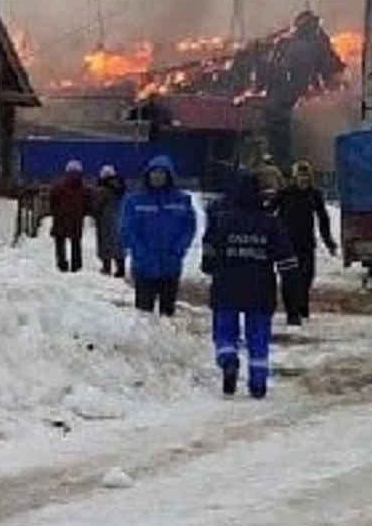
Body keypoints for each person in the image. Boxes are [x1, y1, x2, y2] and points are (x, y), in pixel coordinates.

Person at [201, 169, 299, 398]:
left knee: (225, 330)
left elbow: (209, 247)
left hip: (226, 285)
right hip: (260, 288)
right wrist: (292, 284)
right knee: (258, 336)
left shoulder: (223, 220)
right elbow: (285, 257)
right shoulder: (270, 223)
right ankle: (258, 382)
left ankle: (228, 359)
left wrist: (209, 265)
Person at [119, 154, 198, 316]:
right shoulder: (134, 200)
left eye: (162, 173)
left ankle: (165, 338)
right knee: (143, 312)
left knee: (167, 313)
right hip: (144, 266)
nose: (157, 176)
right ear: (147, 174)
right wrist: (139, 252)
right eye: (154, 172)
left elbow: (189, 227)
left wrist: (179, 249)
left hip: (171, 265)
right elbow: (127, 229)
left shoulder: (182, 200)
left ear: (169, 175)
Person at [272, 160, 337, 327]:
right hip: (287, 243)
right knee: (289, 278)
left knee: (306, 277)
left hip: (306, 243)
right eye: (301, 177)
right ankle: (292, 313)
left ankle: (302, 307)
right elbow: (269, 213)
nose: (304, 180)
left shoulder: (315, 195)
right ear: (294, 178)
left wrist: (328, 241)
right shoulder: (285, 193)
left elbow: (323, 219)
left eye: (307, 177)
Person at [48, 160, 91, 273]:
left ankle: (62, 264)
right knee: (76, 242)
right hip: (76, 218)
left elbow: (52, 200)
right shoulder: (84, 188)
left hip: (60, 218)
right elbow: (88, 203)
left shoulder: (58, 186)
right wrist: (82, 213)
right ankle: (76, 265)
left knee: (60, 241)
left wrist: (55, 212)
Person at [92, 164, 128, 277]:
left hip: (105, 220)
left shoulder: (102, 190)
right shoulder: (122, 188)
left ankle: (106, 268)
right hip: (119, 218)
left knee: (105, 243)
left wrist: (94, 212)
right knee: (118, 242)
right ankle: (121, 268)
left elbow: (97, 206)